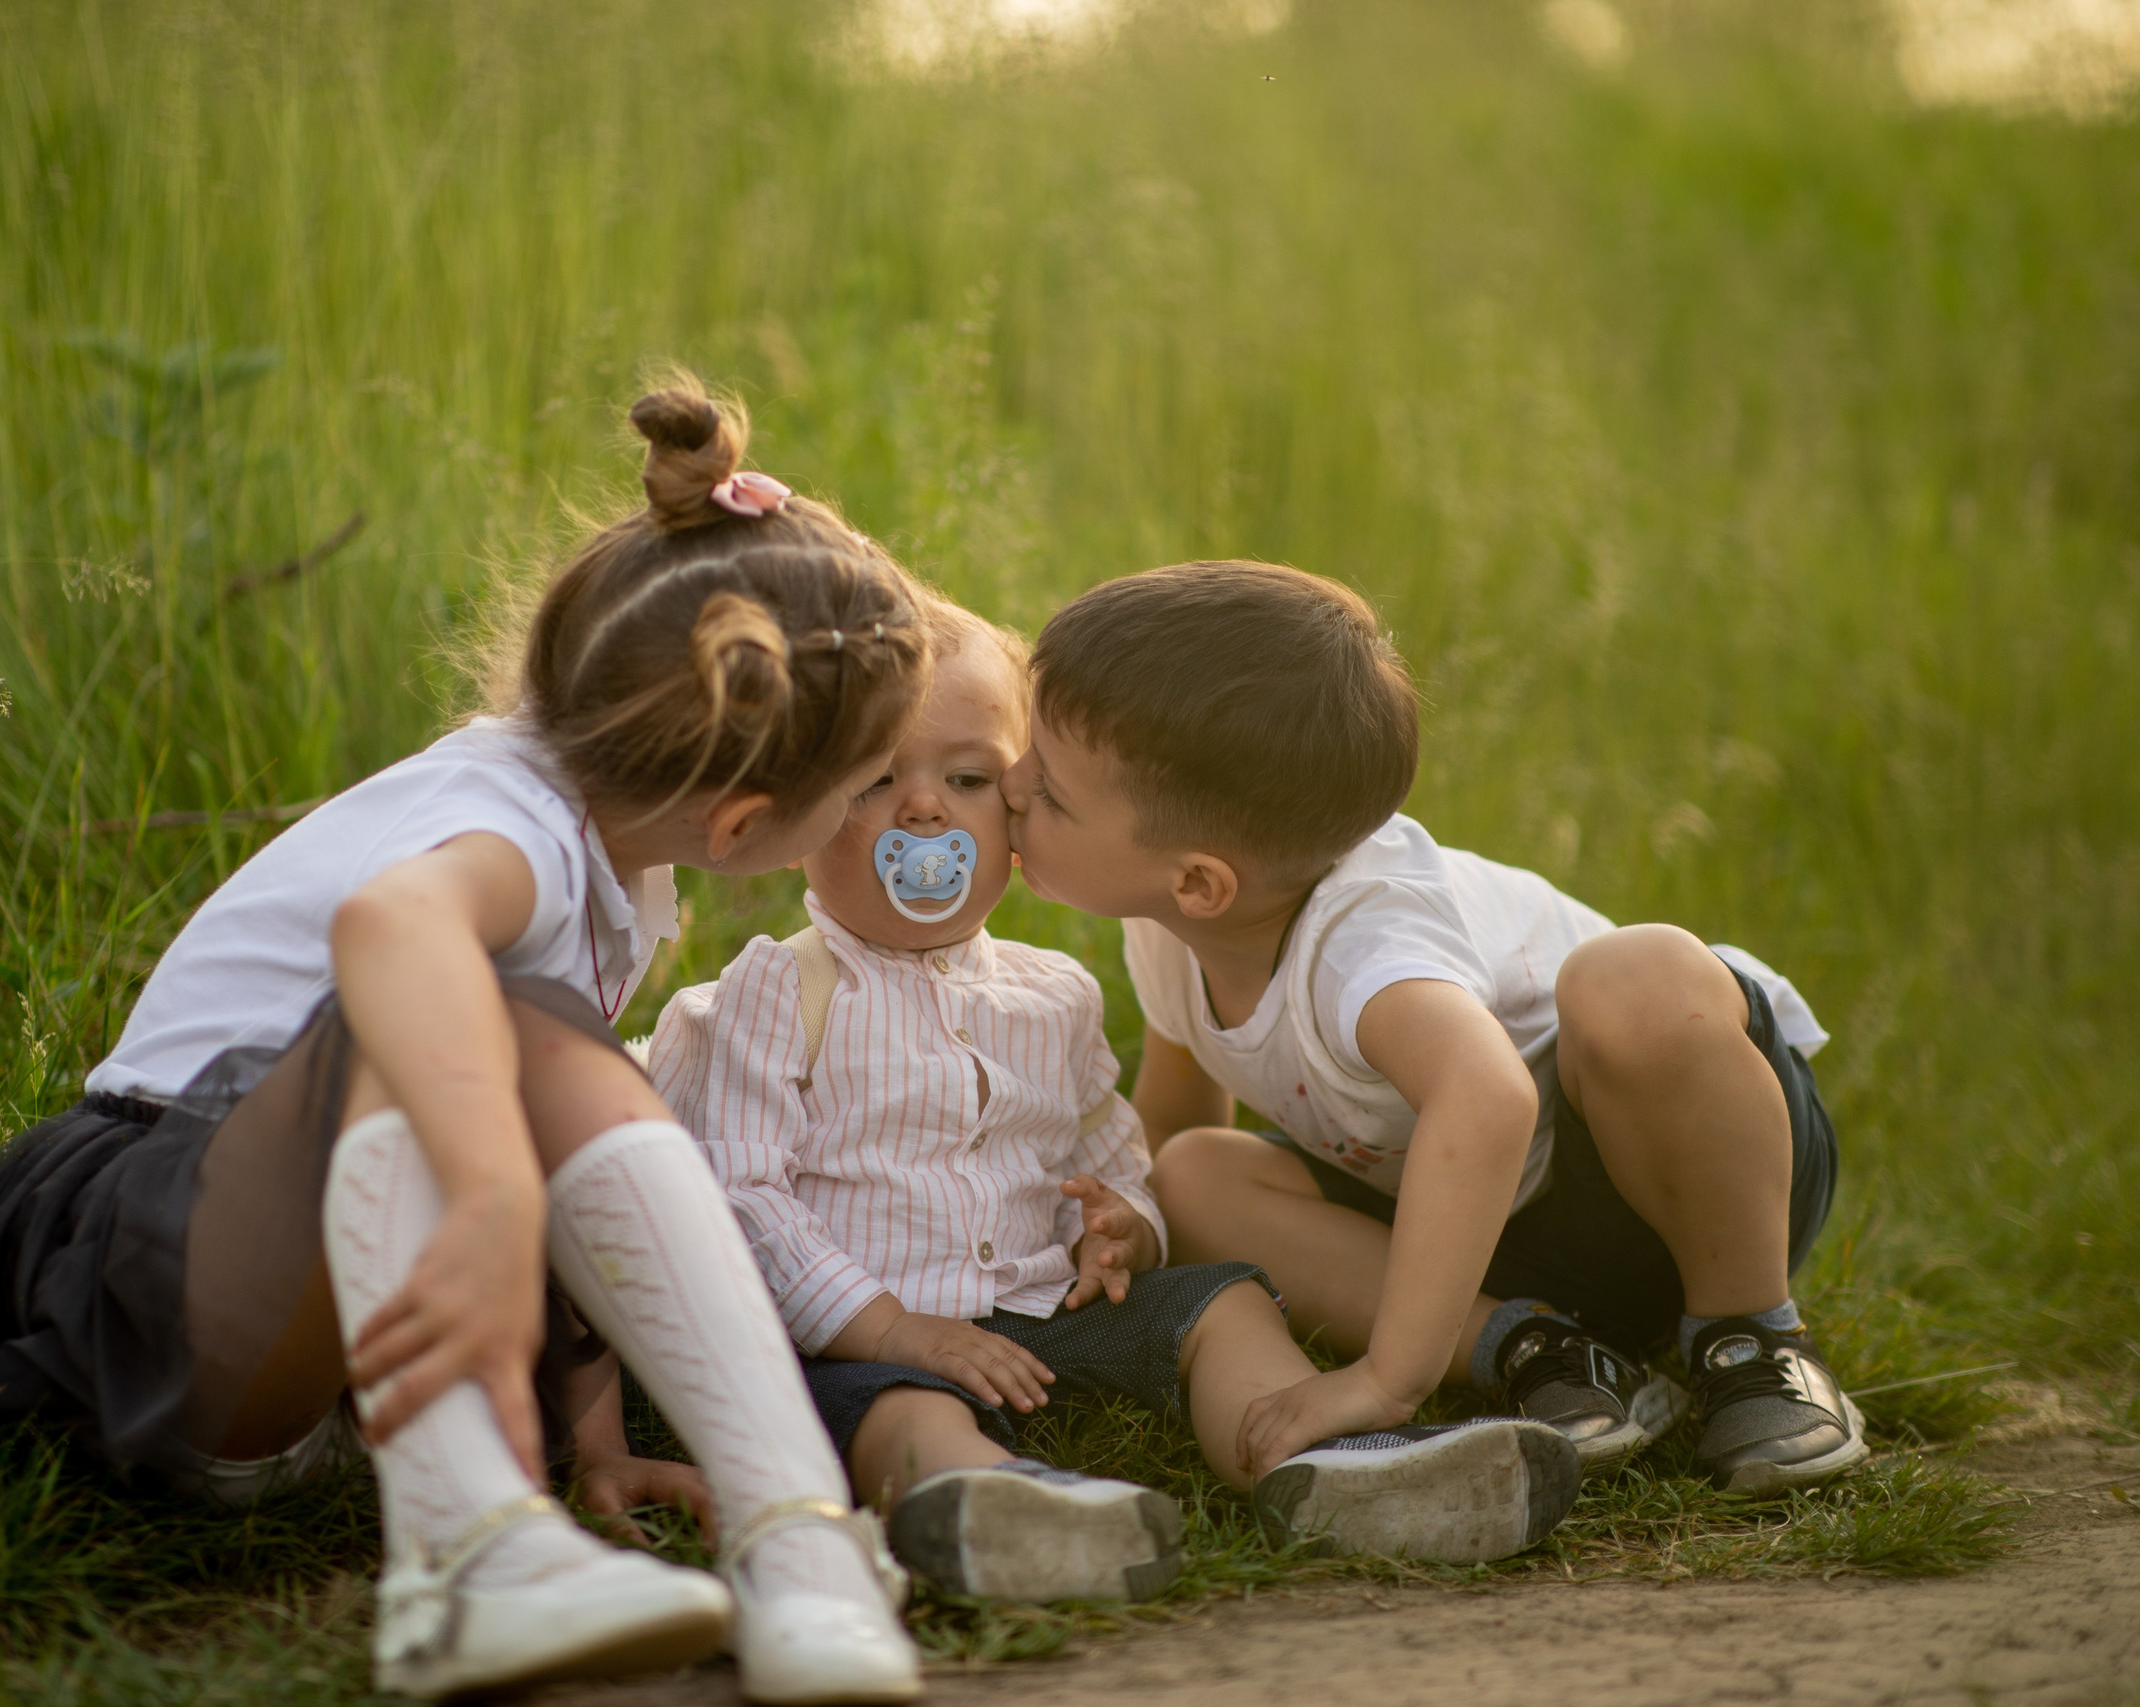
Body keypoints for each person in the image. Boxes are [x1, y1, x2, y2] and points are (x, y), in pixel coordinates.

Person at [0, 385, 933, 1704]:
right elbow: (387, 926)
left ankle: (792, 1536)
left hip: (278, 1297)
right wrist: (501, 1192)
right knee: (465, 1011)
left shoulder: (598, 845)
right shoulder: (500, 829)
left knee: (519, 1038)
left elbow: (548, 1131)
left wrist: (589, 1428)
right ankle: (468, 1561)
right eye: (863, 787)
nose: (880, 812)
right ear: (738, 826)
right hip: (149, 1270)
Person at [647, 600, 1578, 1601]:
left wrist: (1122, 1223)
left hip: (1049, 1310)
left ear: (1014, 808)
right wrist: (892, 1330)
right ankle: (991, 1498)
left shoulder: (1054, 996)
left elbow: (1105, 1141)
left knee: (1215, 1304)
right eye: (876, 781)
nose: (925, 811)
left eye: (968, 780)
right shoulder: (771, 995)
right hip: (869, 1325)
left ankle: (1323, 1464)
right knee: (894, 1412)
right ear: (802, 813)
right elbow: (741, 1197)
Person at [1001, 561, 1866, 1498]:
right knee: (1194, 1174)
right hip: (1495, 1234)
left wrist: (1386, 1379)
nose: (1008, 786)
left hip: (1685, 1178)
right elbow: (1169, 1123)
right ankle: (1539, 1347)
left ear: (1201, 881)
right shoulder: (1173, 931)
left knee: (1638, 977)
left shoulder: (1367, 939)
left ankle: (1752, 1339)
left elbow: (1488, 1097)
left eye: (1048, 789)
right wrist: (1130, 1219)